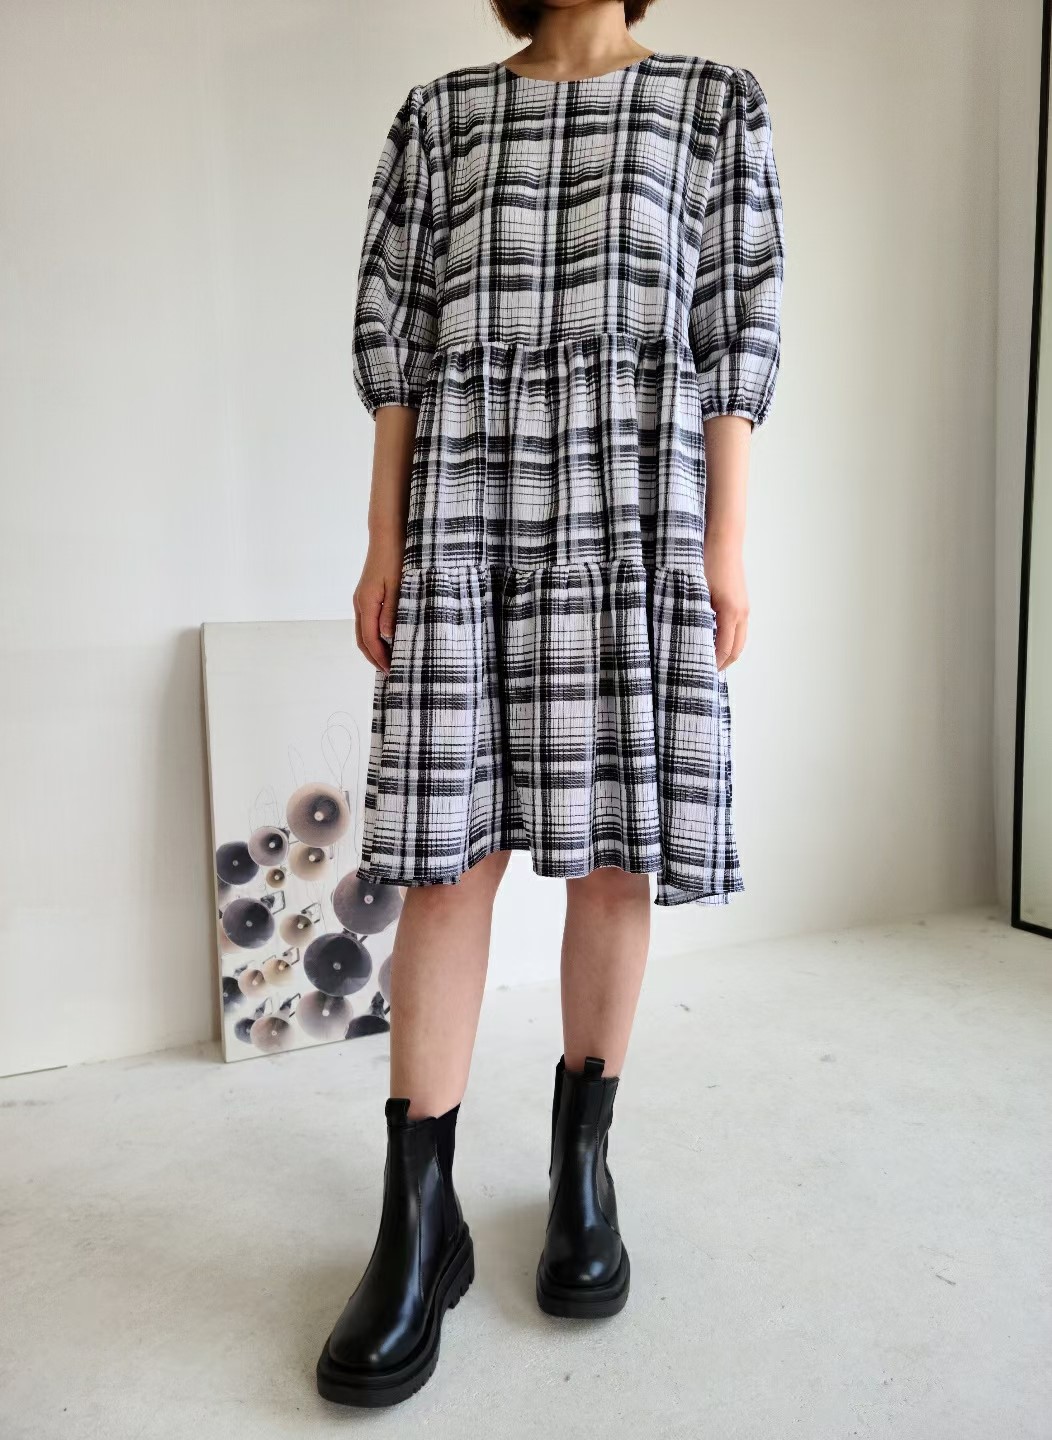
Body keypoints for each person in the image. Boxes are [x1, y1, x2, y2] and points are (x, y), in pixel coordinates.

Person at [316, 0, 785, 1407]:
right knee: (444, 865)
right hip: (466, 519)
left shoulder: (713, 105)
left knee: (617, 855)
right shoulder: (442, 117)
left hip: (636, 518)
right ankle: (419, 1224)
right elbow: (399, 344)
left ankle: (583, 1171)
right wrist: (386, 541)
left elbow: (734, 329)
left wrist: (725, 544)